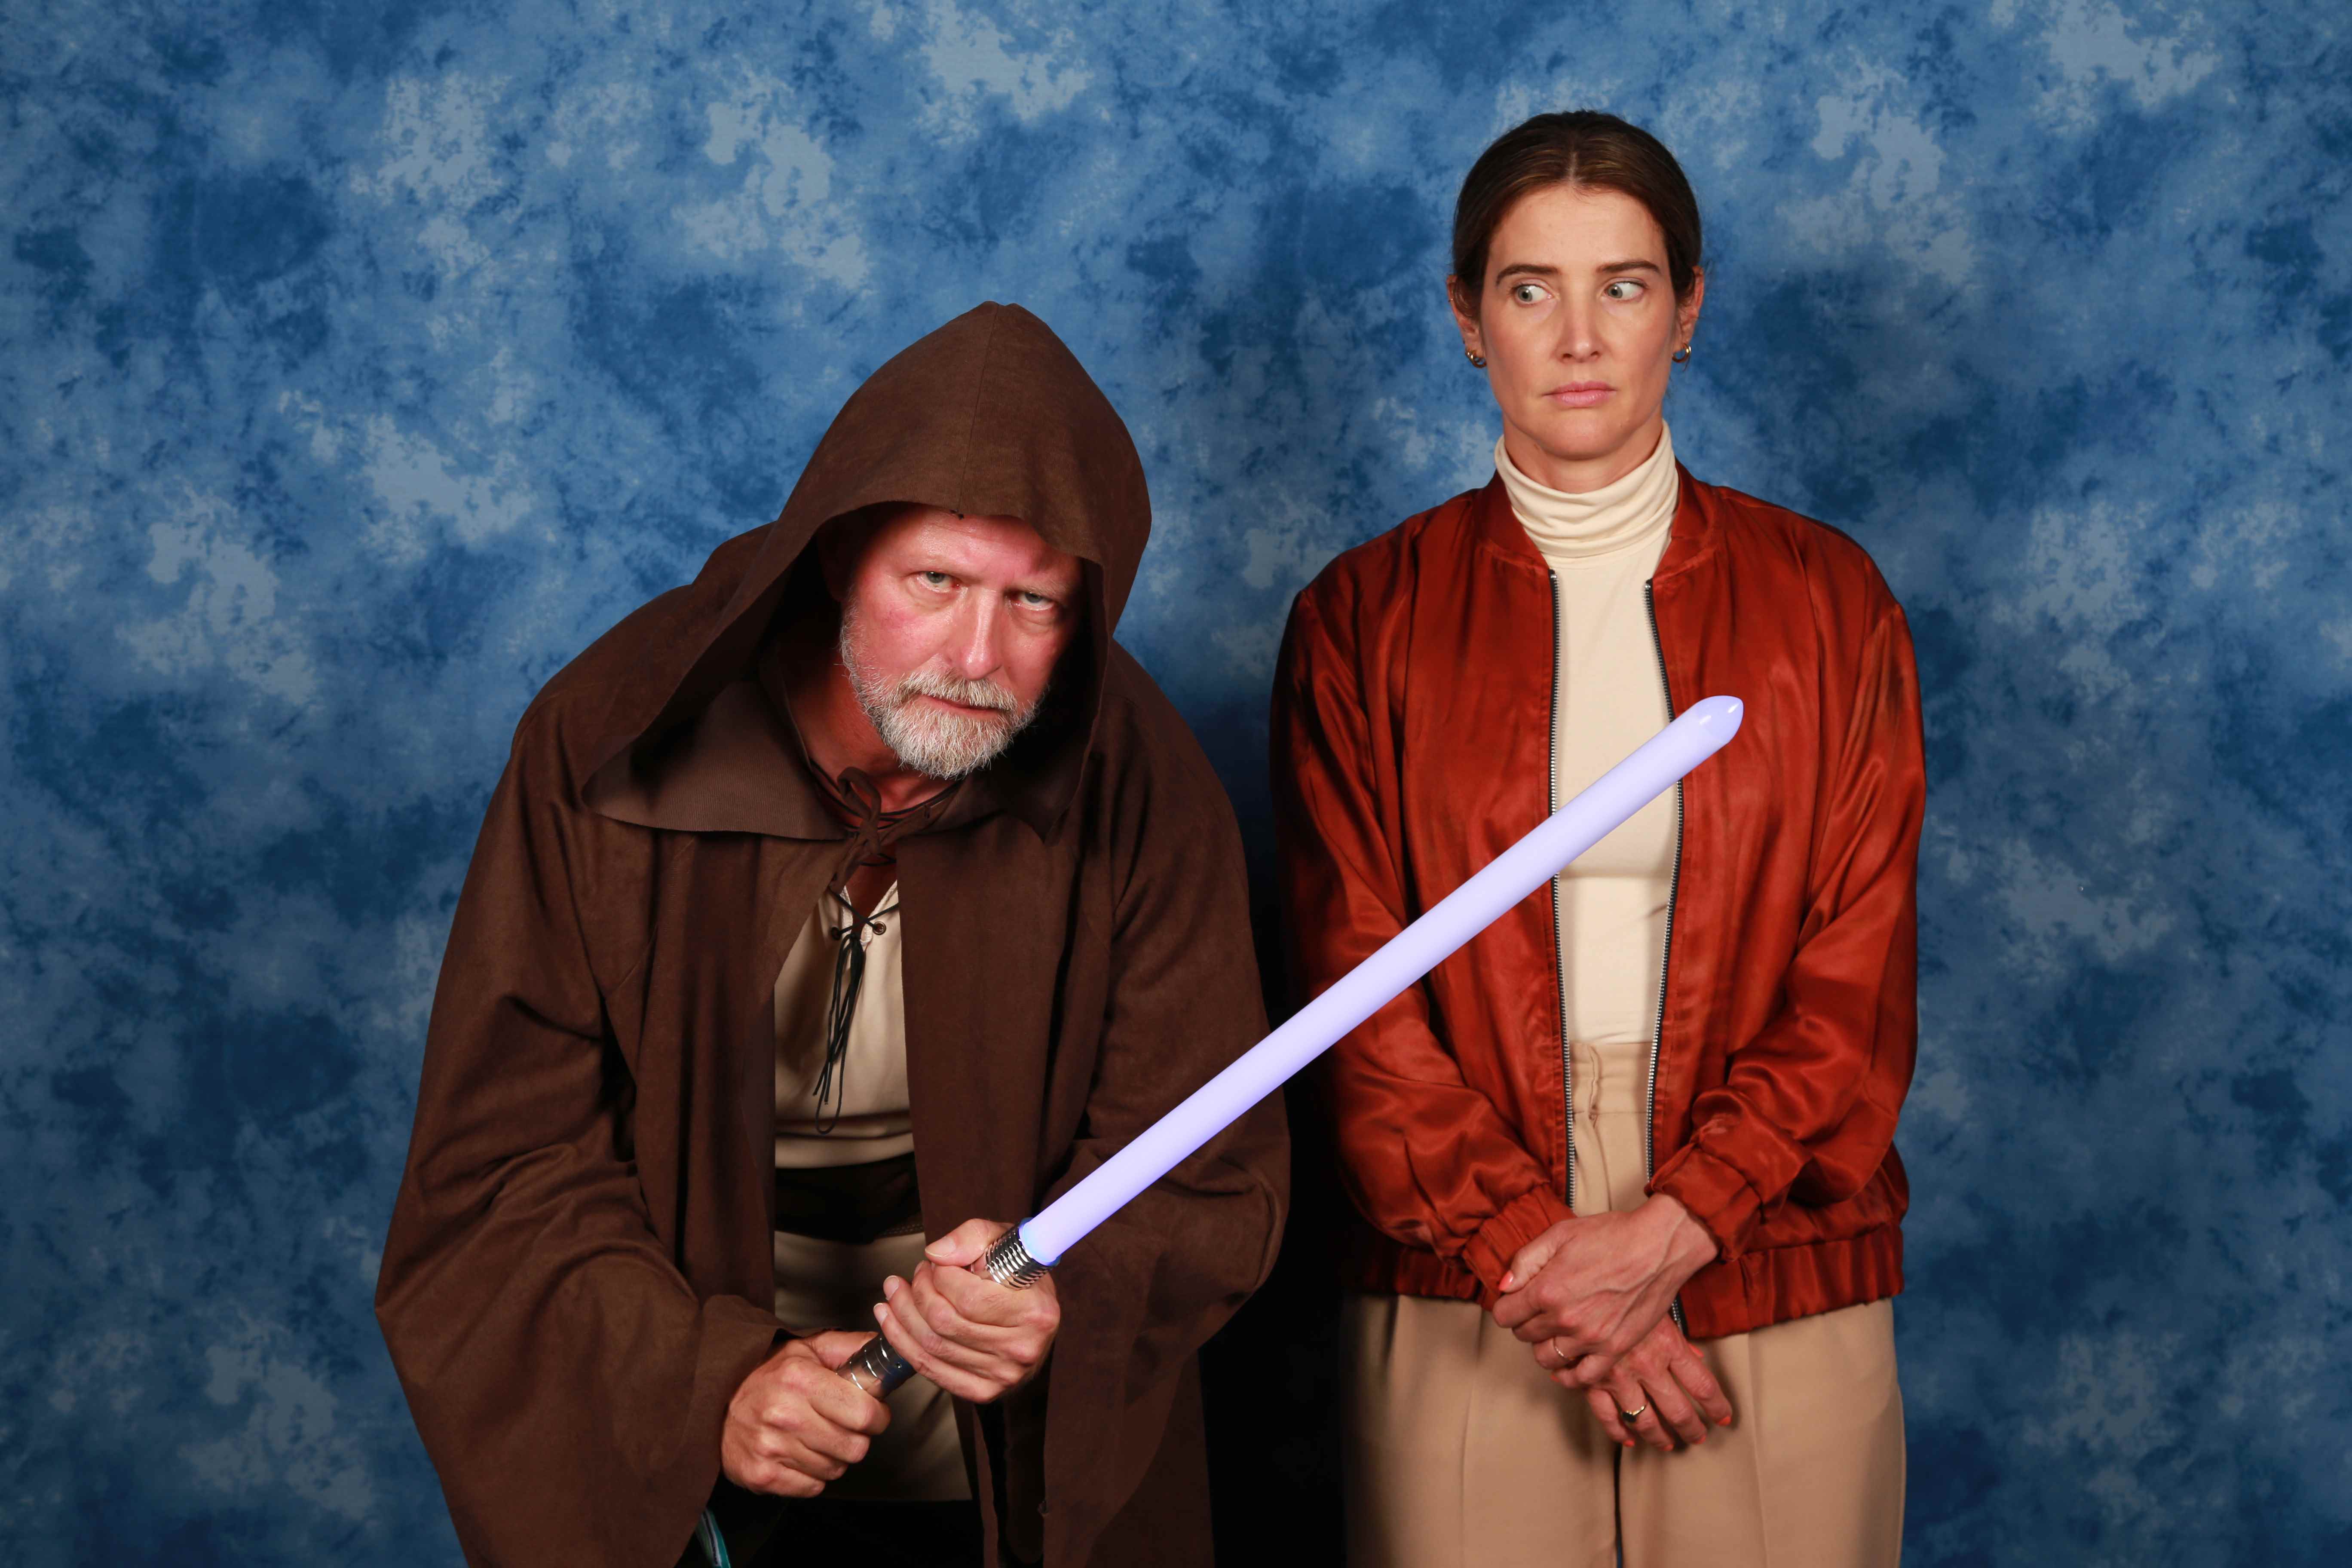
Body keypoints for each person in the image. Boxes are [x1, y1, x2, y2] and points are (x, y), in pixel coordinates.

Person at [377, 302, 1287, 1568]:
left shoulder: (1142, 781)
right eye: (936, 582)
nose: (977, 655)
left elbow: (1205, 1160)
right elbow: (502, 1165)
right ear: (838, 555)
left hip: (1010, 1481)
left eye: (1034, 601)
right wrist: (708, 1386)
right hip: (707, 1470)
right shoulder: (604, 740)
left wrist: (1066, 1298)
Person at [1271, 112, 1920, 1566]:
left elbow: (1858, 977)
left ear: (1686, 310)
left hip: (1771, 1224)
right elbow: (1353, 990)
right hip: (1461, 1237)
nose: (1578, 337)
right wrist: (1531, 1252)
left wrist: (1683, 1223)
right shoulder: (1361, 621)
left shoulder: (1832, 603)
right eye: (1529, 288)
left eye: (1623, 286)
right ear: (1468, 319)